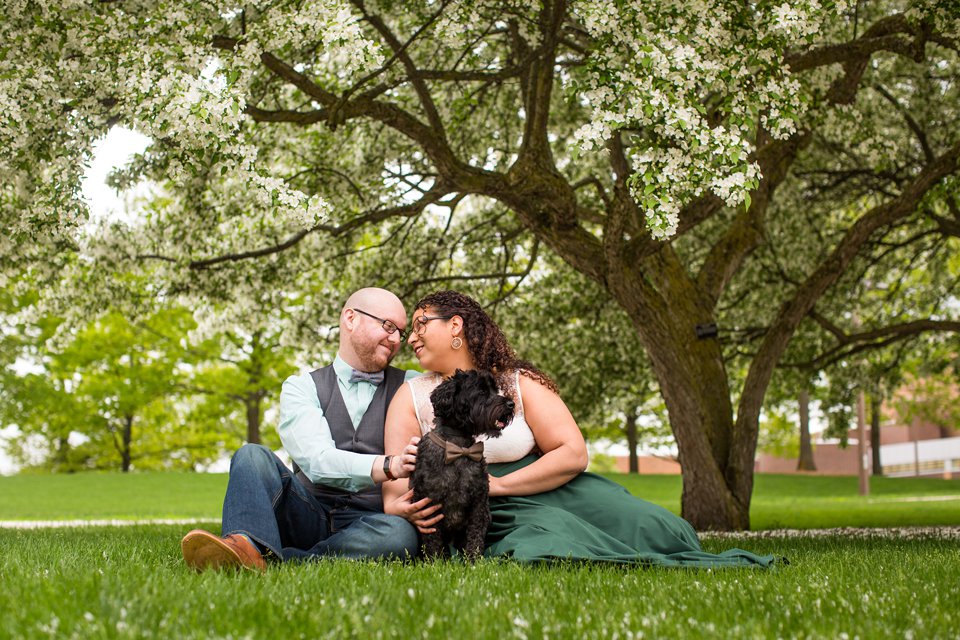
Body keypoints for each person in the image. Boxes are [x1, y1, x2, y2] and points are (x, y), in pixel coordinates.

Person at [383, 290, 777, 567]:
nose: (411, 337)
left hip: (548, 487)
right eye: (409, 331)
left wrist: (499, 483)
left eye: (420, 325)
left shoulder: (516, 382)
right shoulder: (412, 395)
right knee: (553, 546)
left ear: (456, 326)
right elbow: (395, 487)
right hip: (484, 510)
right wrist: (404, 510)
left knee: (663, 529)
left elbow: (573, 452)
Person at [182, 287, 432, 571]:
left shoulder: (413, 385)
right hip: (305, 513)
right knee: (251, 455)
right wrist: (389, 465)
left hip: (373, 520)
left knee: (398, 536)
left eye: (401, 332)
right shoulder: (301, 387)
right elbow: (317, 461)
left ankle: (271, 559)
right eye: (388, 326)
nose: (396, 339)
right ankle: (242, 543)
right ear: (350, 319)